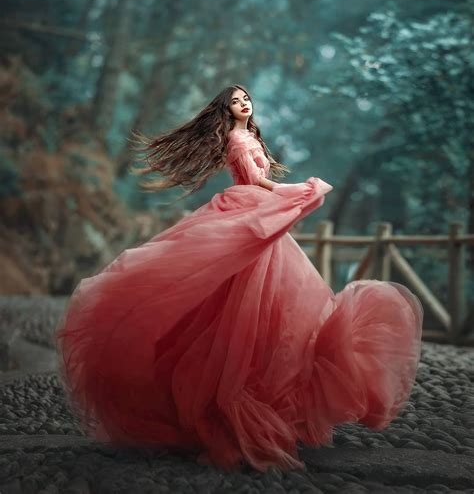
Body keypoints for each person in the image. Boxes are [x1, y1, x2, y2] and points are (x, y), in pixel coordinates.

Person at [55, 84, 423, 472]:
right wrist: (296, 190)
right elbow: (254, 181)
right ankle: (236, 396)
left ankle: (258, 385)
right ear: (225, 110)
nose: (244, 103)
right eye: (236, 100)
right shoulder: (236, 139)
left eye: (246, 97)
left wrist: (290, 193)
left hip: (255, 217)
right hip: (249, 213)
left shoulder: (248, 135)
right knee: (246, 307)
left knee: (267, 305)